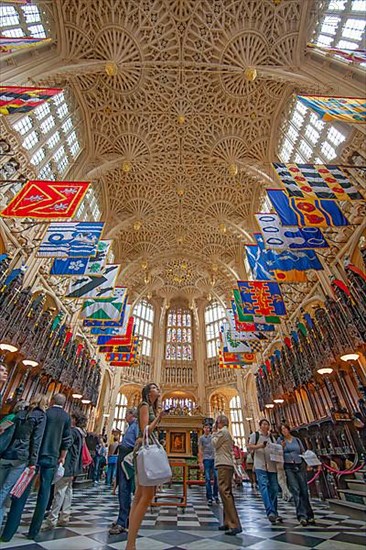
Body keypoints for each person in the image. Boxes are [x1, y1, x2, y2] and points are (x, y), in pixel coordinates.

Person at [1, 392, 71, 542]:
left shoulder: (45, 413)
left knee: (21, 493)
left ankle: (9, 531)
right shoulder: (66, 417)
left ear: (52, 401)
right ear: (64, 404)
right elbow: (66, 440)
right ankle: (34, 530)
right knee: (44, 493)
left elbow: (35, 436)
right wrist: (62, 457)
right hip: (51, 458)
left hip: (35, 456)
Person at [126, 383, 166, 550]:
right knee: (146, 496)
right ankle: (130, 544)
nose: (158, 389)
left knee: (139, 497)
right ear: (149, 392)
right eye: (155, 387)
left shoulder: (149, 406)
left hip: (144, 452)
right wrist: (159, 418)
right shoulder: (144, 405)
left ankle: (131, 544)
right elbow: (145, 430)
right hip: (145, 453)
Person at [0, 394, 47, 530]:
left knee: (2, 490)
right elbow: (36, 440)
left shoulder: (20, 413)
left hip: (7, 454)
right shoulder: (40, 416)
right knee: (5, 491)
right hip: (21, 456)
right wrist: (33, 461)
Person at [44, 411, 87, 529]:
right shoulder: (81, 433)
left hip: (67, 466)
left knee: (59, 492)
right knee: (68, 492)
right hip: (73, 467)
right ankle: (64, 517)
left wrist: (61, 458)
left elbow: (66, 446)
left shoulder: (73, 432)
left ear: (74, 420)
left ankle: (52, 519)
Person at [278, 424, 315, 526]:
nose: (284, 430)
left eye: (285, 428)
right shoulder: (280, 441)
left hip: (300, 465)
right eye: (282, 429)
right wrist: (281, 447)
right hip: (288, 467)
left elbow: (303, 452)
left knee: (304, 490)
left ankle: (309, 515)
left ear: (288, 429)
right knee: (295, 490)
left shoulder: (297, 440)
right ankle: (301, 516)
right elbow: (277, 454)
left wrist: (308, 464)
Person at [109, 408, 139, 535]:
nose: (125, 416)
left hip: (128, 457)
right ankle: (124, 519)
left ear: (131, 415)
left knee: (125, 489)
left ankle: (123, 521)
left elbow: (138, 441)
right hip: (124, 455)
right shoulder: (131, 426)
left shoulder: (136, 425)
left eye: (126, 413)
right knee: (123, 489)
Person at [211, 415, 242, 536]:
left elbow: (214, 444)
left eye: (216, 423)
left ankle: (235, 524)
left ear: (219, 423)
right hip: (226, 464)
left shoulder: (222, 432)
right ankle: (227, 522)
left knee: (225, 492)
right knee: (225, 493)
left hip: (223, 464)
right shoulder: (226, 433)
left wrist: (214, 433)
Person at [248, 418, 281, 524]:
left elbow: (276, 449)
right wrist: (260, 446)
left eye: (267, 424)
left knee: (274, 488)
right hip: (260, 465)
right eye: (264, 424)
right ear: (260, 425)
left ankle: (274, 511)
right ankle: (270, 512)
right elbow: (249, 447)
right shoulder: (255, 435)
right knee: (264, 487)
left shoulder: (271, 437)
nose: (266, 426)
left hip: (272, 466)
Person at [198, 423, 219, 505]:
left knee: (216, 477)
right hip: (206, 459)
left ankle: (216, 495)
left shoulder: (213, 436)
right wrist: (200, 462)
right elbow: (200, 450)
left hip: (214, 458)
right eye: (205, 428)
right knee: (207, 478)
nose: (207, 429)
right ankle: (209, 497)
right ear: (203, 429)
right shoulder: (201, 438)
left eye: (208, 428)